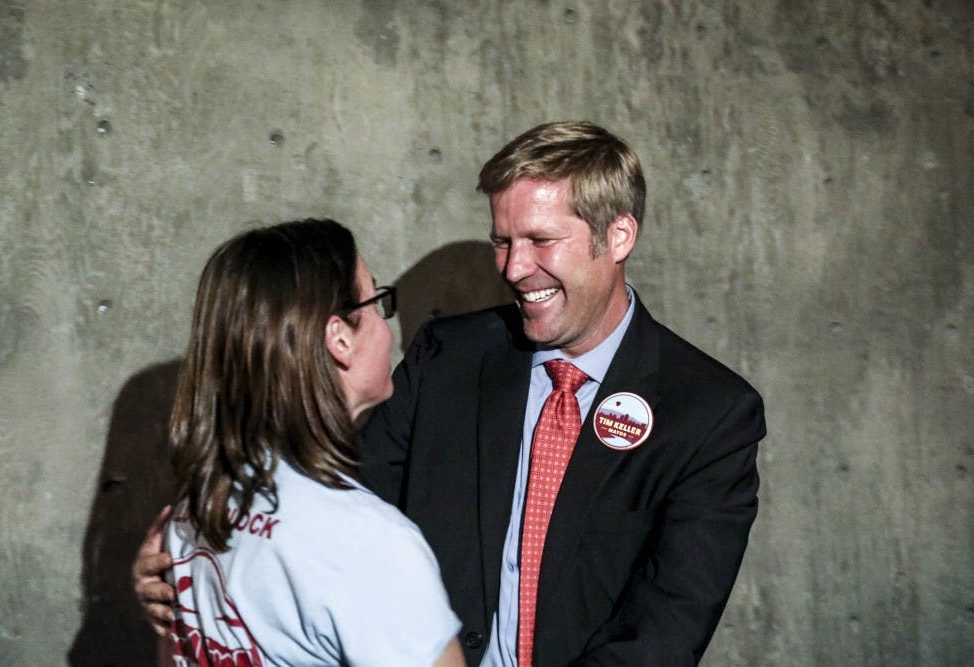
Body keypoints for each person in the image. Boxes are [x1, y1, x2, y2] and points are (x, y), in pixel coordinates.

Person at [137, 122, 765, 666]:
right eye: (502, 240)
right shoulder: (448, 356)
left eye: (541, 241)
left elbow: (668, 626)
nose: (514, 268)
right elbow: (325, 503)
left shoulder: (710, 411)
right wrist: (190, 564)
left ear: (619, 237)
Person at [151, 219, 464, 666]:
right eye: (376, 302)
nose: (385, 327)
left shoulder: (194, 507)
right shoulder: (370, 544)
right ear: (339, 339)